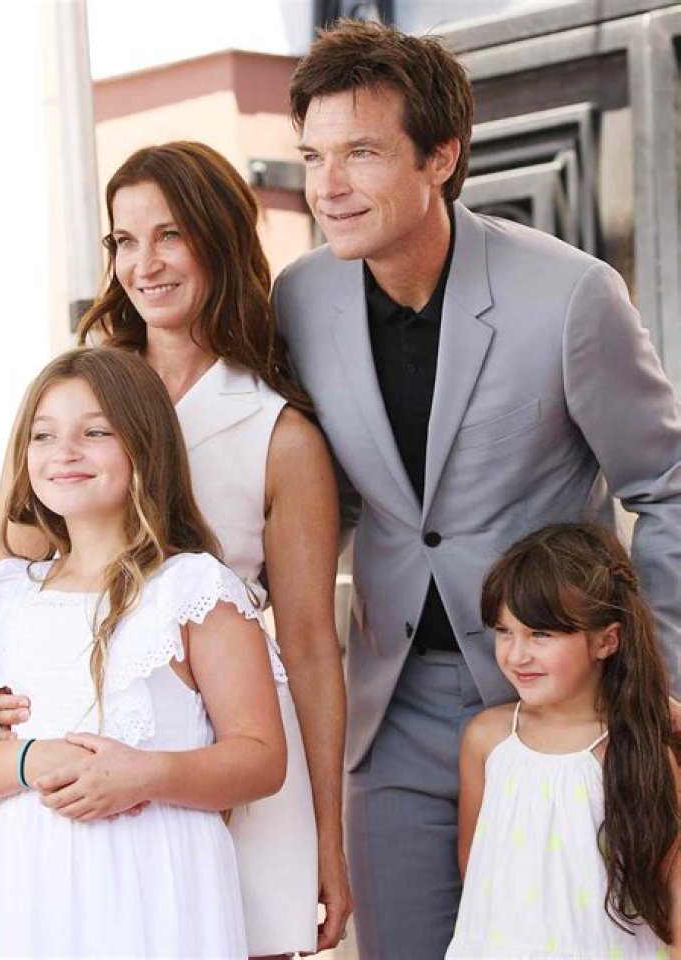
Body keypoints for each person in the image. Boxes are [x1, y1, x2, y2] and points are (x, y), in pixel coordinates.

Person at [272, 17, 681, 959]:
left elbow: (664, 484)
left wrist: (658, 684)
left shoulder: (571, 295)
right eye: (313, 157)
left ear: (442, 155)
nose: (327, 187)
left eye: (361, 152)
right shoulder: (298, 298)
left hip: (566, 705)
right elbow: (316, 497)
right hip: (393, 708)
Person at [0, 142, 351, 957]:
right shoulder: (78, 399)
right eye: (124, 240)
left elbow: (308, 646)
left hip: (237, 756)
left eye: (170, 235)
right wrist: (10, 688)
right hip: (84, 780)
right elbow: (19, 570)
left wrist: (329, 835)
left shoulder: (281, 433)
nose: (144, 264)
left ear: (219, 238)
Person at [0, 346, 287, 959]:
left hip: (161, 891)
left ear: (144, 445)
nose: (65, 452)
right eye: (44, 435)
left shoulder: (193, 589)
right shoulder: (3, 596)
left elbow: (262, 759)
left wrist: (146, 775)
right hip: (37, 893)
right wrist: (33, 758)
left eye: (95, 432)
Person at [446, 522, 680, 958]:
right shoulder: (487, 740)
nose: (516, 654)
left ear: (606, 641)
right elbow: (476, 875)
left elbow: (674, 889)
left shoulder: (633, 750)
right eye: (504, 631)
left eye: (541, 634)